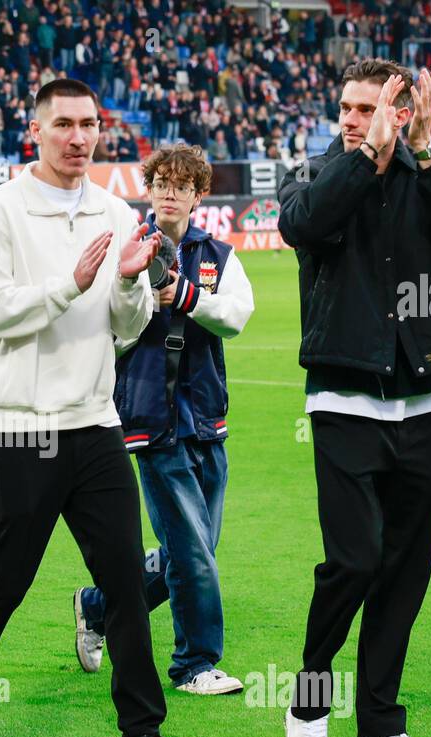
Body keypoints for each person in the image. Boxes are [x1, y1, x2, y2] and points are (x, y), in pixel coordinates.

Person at [0, 79, 194, 737]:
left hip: (96, 423)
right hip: (18, 428)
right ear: (35, 131)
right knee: (3, 583)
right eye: (64, 124)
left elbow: (127, 331)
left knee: (127, 585)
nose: (79, 138)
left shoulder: (113, 209)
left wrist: (132, 284)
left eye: (89, 125)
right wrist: (69, 285)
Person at [277, 60, 431, 737]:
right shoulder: (316, 172)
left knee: (404, 571)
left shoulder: (424, 174)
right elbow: (302, 225)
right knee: (355, 560)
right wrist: (367, 156)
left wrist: (427, 150)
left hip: (424, 399)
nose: (351, 117)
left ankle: (378, 733)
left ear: (399, 113)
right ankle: (307, 705)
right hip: (343, 401)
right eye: (347, 105)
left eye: (370, 108)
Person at [73, 143, 255, 695]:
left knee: (195, 546)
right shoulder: (124, 248)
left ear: (200, 195)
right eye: (162, 183)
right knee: (192, 548)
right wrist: (141, 288)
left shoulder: (218, 254)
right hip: (150, 418)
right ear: (149, 189)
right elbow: (110, 326)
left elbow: (237, 316)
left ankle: (97, 607)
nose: (171, 192)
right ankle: (195, 664)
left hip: (205, 418)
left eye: (183, 185)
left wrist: (187, 295)